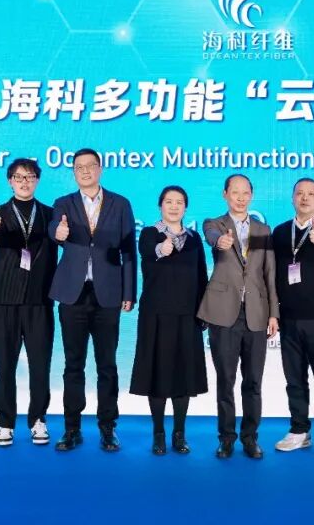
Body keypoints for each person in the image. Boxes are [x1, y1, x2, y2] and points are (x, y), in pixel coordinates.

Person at [51, 148, 137, 452]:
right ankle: (71, 428)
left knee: (107, 365)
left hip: (108, 293)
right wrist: (58, 233)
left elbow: (129, 250)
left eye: (90, 166)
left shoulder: (120, 203)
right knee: (73, 364)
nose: (85, 171)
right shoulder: (63, 203)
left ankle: (108, 428)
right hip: (72, 294)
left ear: (100, 169)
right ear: (74, 172)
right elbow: (53, 231)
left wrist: (129, 292)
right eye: (79, 167)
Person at [0, 157, 58, 447]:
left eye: (30, 176)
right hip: (6, 301)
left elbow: (63, 242)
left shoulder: (50, 214)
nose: (24, 182)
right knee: (5, 366)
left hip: (40, 301)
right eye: (19, 177)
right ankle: (5, 422)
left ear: (37, 180)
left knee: (40, 366)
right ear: (10, 181)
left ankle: (38, 419)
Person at [199, 173, 278, 459]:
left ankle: (250, 437)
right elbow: (212, 238)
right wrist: (220, 241)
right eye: (235, 192)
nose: (241, 198)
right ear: (225, 194)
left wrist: (274, 314)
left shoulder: (262, 230)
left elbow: (269, 273)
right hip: (223, 314)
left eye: (246, 193)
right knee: (226, 380)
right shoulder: (214, 224)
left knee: (253, 381)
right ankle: (226, 438)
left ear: (251, 196)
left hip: (256, 313)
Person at [129, 186, 209, 456]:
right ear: (160, 205)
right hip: (157, 315)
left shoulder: (194, 239)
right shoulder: (149, 234)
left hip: (188, 315)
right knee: (158, 374)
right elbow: (147, 253)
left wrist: (204, 311)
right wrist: (161, 249)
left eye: (179, 202)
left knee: (183, 375)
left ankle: (179, 433)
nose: (174, 206)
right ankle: (159, 434)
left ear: (185, 207)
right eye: (169, 201)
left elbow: (201, 276)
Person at [271, 177, 314, 457]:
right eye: (300, 193)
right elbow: (272, 273)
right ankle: (299, 430)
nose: (305, 198)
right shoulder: (280, 232)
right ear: (292, 198)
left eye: (311, 194)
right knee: (294, 378)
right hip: (289, 317)